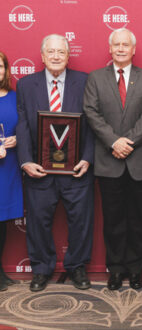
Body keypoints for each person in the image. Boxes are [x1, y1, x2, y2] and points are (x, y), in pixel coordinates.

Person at [16, 34, 95, 292]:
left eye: (61, 51)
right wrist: (26, 161)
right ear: (42, 56)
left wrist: (87, 157)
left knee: (81, 220)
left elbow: (94, 124)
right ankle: (41, 269)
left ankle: (77, 267)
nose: (56, 56)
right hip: (40, 169)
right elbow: (24, 126)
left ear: (68, 55)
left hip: (76, 170)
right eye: (51, 51)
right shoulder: (27, 85)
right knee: (38, 221)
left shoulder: (84, 82)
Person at [83, 28, 142, 291]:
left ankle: (136, 269)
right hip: (109, 159)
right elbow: (91, 112)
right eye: (116, 44)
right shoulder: (95, 78)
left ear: (133, 49)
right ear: (110, 48)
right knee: (113, 220)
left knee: (139, 219)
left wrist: (128, 142)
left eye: (125, 44)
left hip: (141, 161)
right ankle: (115, 269)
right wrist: (113, 141)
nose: (120, 48)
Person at [0, 51, 23, 291]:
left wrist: (18, 139)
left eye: (0, 66)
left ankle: (0, 272)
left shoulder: (16, 97)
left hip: (7, 167)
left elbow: (24, 127)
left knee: (1, 221)